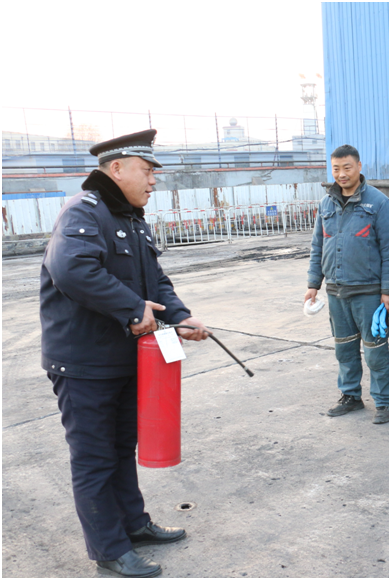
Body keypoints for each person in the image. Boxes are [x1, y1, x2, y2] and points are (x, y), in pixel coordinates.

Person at [40, 130, 210, 578]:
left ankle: (133, 525)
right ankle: (109, 549)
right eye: (147, 170)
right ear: (116, 169)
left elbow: (156, 281)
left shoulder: (131, 220)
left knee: (120, 449)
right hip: (83, 363)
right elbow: (70, 269)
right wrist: (133, 309)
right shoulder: (84, 211)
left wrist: (182, 317)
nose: (154, 180)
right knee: (94, 458)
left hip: (121, 360)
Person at [306, 145, 389, 424]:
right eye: (336, 169)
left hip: (369, 293)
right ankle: (350, 396)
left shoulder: (378, 203)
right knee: (344, 348)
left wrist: (388, 291)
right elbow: (317, 246)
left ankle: (384, 402)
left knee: (375, 349)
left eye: (347, 167)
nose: (341, 174)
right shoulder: (326, 204)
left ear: (359, 166)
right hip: (336, 291)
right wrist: (313, 283)